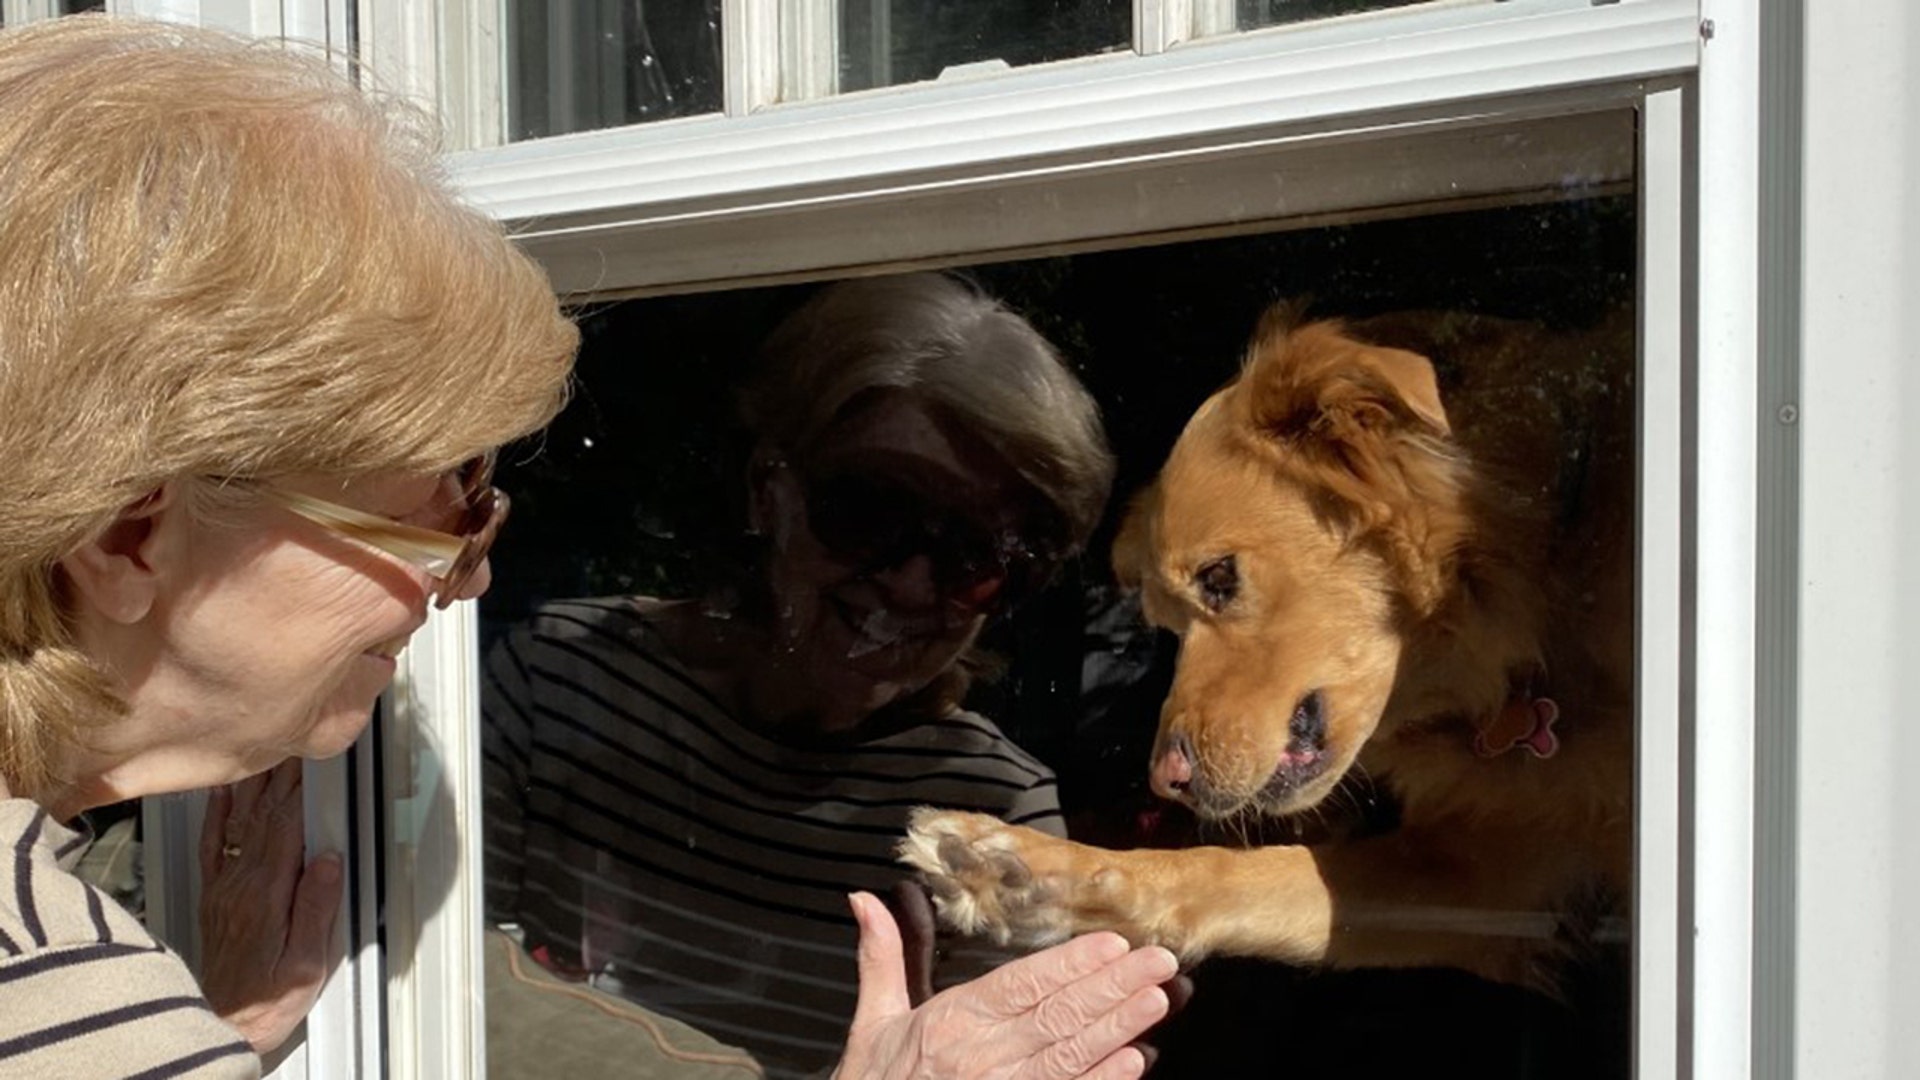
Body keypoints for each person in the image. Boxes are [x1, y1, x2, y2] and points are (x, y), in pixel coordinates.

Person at [0, 16, 1175, 1080]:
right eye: (445, 509)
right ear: (129, 535)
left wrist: (213, 1036)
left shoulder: (993, 799)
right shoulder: (69, 993)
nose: (475, 580)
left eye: (987, 555)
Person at [482, 272, 1122, 1078]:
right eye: (873, 513)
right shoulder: (564, 677)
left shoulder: (993, 811)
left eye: (980, 556)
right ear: (766, 490)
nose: (914, 584)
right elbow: (433, 978)